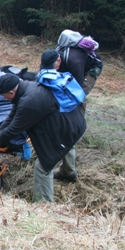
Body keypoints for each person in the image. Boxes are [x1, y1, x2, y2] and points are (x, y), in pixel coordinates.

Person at [0, 73, 86, 203]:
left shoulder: (29, 101)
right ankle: (68, 173)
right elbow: (10, 119)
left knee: (43, 166)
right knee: (65, 147)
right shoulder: (25, 89)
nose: (4, 99)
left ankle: (43, 205)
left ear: (11, 92)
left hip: (69, 128)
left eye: (4, 96)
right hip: (71, 122)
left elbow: (13, 129)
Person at [41, 48, 90, 182]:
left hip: (65, 117)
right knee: (67, 140)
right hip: (73, 116)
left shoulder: (47, 79)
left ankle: (67, 171)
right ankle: (68, 170)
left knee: (65, 140)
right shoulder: (65, 77)